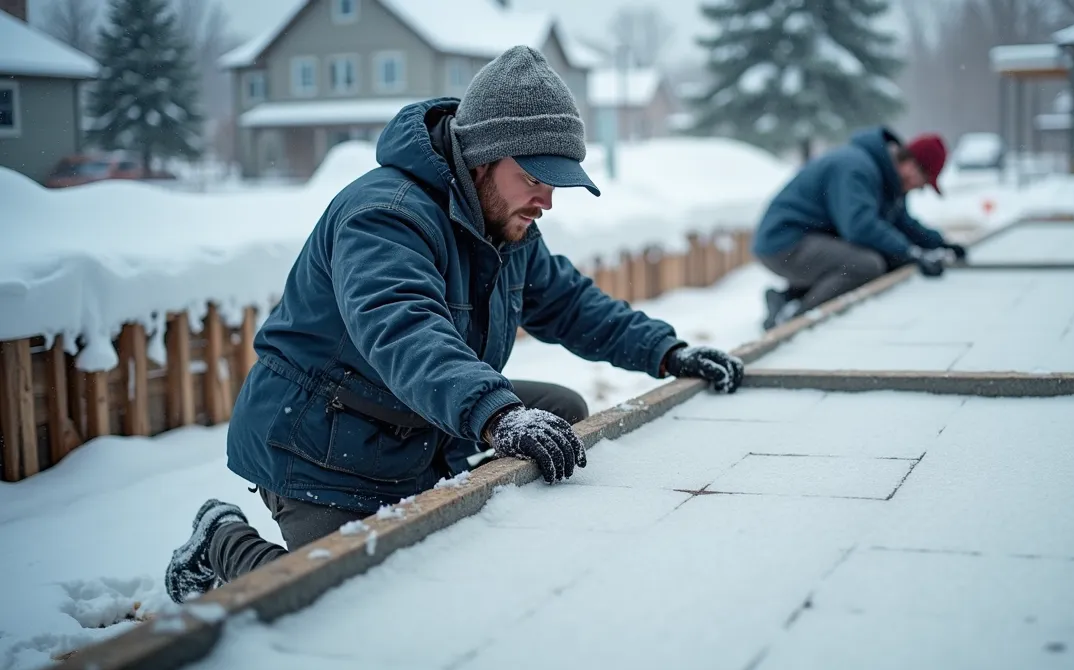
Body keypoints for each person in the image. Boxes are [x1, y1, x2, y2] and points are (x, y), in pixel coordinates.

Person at [164, 45, 744, 604]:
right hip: (325, 441)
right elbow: (405, 331)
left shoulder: (504, 223)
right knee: (338, 597)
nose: (546, 198)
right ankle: (219, 539)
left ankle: (462, 520)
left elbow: (570, 304)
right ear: (484, 157)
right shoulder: (385, 216)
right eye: (536, 176)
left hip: (415, 421)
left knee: (560, 411)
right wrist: (496, 415)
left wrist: (668, 353)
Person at [752, 127, 968, 329]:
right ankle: (793, 323)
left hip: (804, 239)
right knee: (866, 265)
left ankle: (787, 298)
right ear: (911, 165)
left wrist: (939, 243)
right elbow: (859, 226)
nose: (918, 189)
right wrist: (910, 252)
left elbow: (902, 223)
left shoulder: (885, 179)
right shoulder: (856, 167)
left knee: (883, 256)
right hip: (782, 243)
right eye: (922, 183)